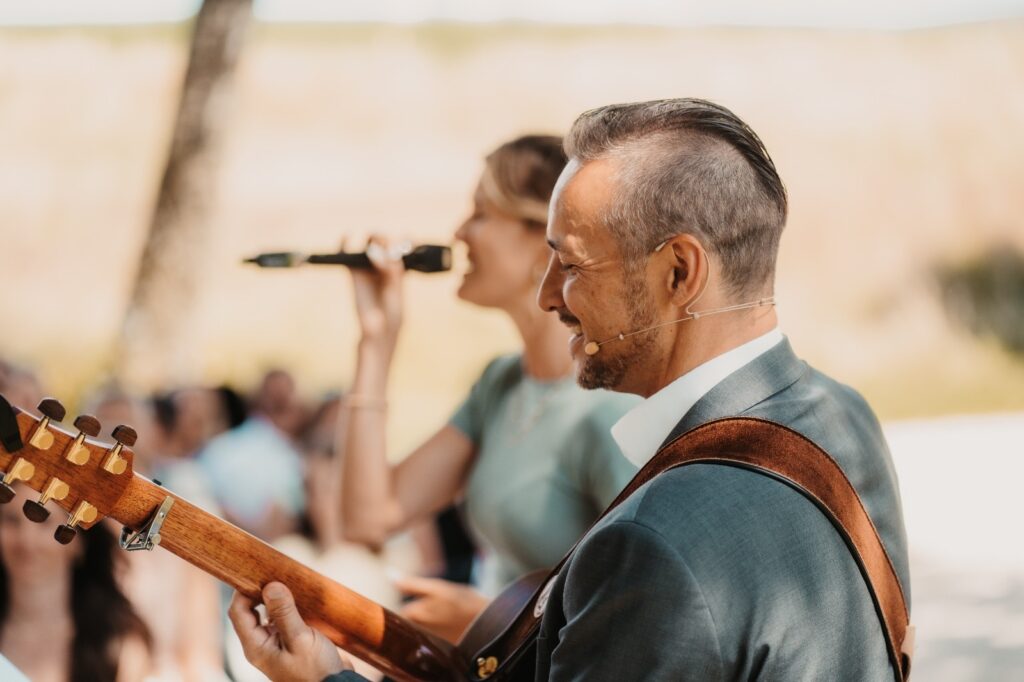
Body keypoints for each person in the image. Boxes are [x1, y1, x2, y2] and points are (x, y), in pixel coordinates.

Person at [228, 98, 911, 681]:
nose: (549, 295)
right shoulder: (844, 414)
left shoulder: (648, 540)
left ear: (679, 271)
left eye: (573, 264)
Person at [337, 134, 638, 643]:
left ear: (546, 236)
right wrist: (376, 340)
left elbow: (640, 616)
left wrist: (493, 622)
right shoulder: (500, 383)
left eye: (480, 213)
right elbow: (369, 518)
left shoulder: (611, 409)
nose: (459, 232)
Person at [0, 495, 153, 682]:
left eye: (44, 522)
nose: (26, 540)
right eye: (11, 520)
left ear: (79, 541)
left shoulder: (119, 644)